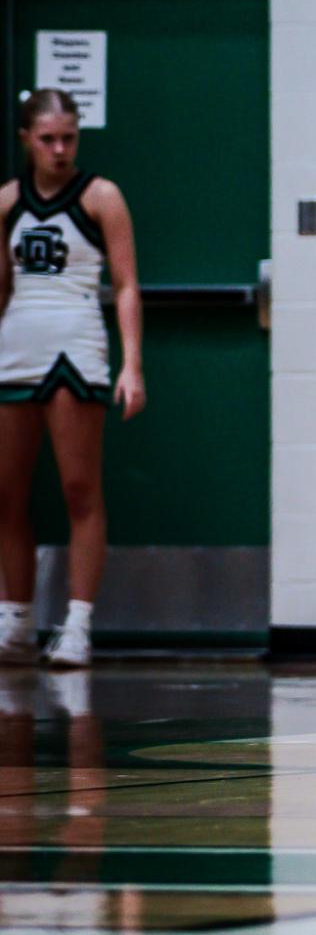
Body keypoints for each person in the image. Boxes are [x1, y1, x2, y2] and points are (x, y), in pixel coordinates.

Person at [0, 89, 146, 670]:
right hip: (15, 348)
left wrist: (131, 363)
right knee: (7, 494)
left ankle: (78, 624)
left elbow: (128, 284)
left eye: (69, 138)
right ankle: (14, 622)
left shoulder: (101, 196)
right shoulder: (7, 200)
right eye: (47, 139)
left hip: (76, 347)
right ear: (26, 140)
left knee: (79, 490)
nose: (60, 149)